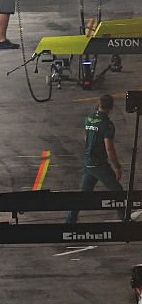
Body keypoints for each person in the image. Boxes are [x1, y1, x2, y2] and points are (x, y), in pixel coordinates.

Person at [65, 94, 125, 225]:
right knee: (118, 192)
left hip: (88, 162)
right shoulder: (107, 125)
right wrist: (117, 166)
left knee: (83, 194)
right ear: (111, 107)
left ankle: (70, 221)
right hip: (99, 164)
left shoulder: (89, 119)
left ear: (99, 104)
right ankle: (125, 222)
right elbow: (109, 148)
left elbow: (86, 138)